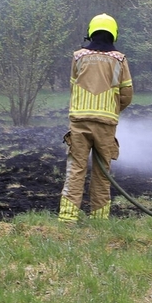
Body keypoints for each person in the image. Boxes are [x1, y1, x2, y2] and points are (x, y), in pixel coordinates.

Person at [59, 13, 133, 221]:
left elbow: (73, 87)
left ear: (91, 32)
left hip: (79, 123)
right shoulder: (120, 60)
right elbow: (127, 94)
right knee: (102, 174)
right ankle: (99, 220)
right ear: (113, 34)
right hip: (106, 125)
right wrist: (112, 108)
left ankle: (67, 219)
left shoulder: (78, 57)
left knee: (76, 169)